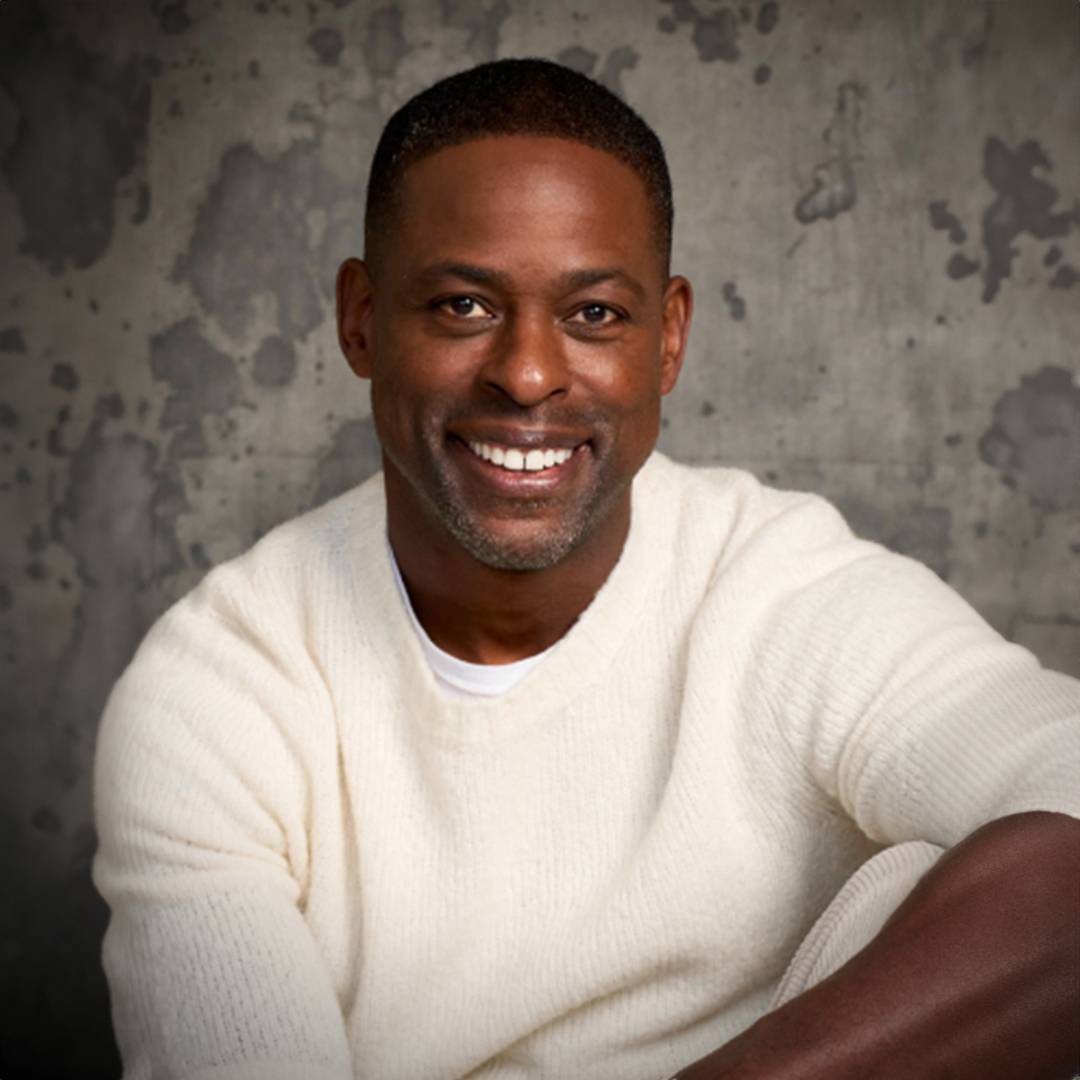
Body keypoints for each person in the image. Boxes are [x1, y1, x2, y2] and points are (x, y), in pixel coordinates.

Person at [93, 59, 1080, 1079]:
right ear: (362, 320)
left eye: (595, 314)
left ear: (670, 339)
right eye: (463, 305)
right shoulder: (217, 692)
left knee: (992, 890)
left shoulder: (778, 592)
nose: (527, 374)